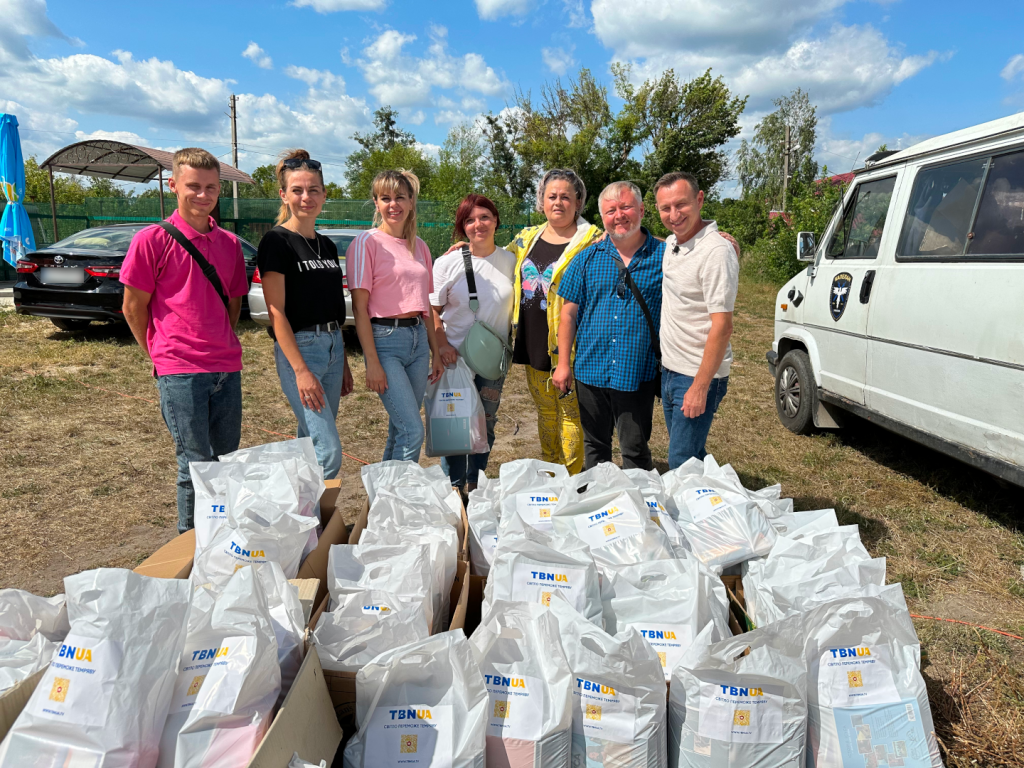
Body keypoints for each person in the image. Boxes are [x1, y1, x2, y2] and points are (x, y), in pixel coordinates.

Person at [121, 148, 249, 533]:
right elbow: (132, 307)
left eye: (210, 187)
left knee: (226, 460)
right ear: (173, 184)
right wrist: (158, 355)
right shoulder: (151, 240)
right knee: (194, 462)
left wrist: (218, 341)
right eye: (193, 186)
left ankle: (222, 535)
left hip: (226, 366)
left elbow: (234, 302)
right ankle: (189, 545)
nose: (202, 194)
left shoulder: (230, 244)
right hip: (179, 369)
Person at [257, 149, 354, 480]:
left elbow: (330, 304)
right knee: (327, 450)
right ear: (284, 195)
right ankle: (311, 523)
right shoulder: (277, 241)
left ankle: (301, 519)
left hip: (332, 347)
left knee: (309, 444)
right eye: (297, 190)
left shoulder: (326, 245)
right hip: (302, 350)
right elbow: (276, 312)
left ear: (324, 194)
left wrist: (341, 361)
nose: (306, 197)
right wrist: (301, 371)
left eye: (313, 190)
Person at [554, 181, 664, 470]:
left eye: (626, 207)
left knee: (636, 449)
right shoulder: (586, 259)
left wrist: (718, 237)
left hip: (637, 370)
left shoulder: (666, 258)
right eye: (610, 210)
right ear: (602, 217)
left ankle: (637, 508)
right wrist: (563, 363)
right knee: (594, 447)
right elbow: (568, 315)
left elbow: (697, 250)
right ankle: (598, 506)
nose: (619, 215)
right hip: (591, 369)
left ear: (641, 209)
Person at [503, 169, 600, 474]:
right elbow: (493, 258)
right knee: (545, 412)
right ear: (541, 201)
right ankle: (551, 472)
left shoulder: (593, 239)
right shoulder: (527, 238)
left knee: (571, 415)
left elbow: (634, 240)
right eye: (551, 196)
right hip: (532, 341)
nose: (558, 202)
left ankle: (570, 479)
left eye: (565, 197)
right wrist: (464, 250)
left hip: (570, 346)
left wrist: (690, 237)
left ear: (579, 202)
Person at [346, 169, 444, 462]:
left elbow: (425, 305)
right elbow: (359, 308)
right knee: (413, 431)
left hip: (417, 342)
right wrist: (372, 362)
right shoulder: (367, 243)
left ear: (412, 202)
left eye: (400, 197)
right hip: (385, 341)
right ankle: (400, 500)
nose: (393, 204)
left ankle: (384, 501)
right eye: (385, 198)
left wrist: (436, 352)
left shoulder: (420, 246)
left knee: (400, 429)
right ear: (376, 203)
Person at [430, 194, 516, 492]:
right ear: (462, 227)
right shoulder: (447, 263)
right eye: (469, 220)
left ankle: (475, 483)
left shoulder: (510, 260)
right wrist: (442, 346)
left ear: (496, 221)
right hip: (456, 359)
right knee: (454, 427)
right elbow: (432, 310)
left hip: (493, 362)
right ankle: (453, 488)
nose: (478, 224)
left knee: (486, 424)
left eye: (484, 217)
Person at [654, 171, 738, 468]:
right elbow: (654, 240)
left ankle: (694, 512)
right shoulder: (672, 243)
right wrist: (612, 233)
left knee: (681, 462)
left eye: (681, 205)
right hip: (671, 370)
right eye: (665, 208)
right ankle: (712, 502)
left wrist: (700, 387)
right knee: (691, 455)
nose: (674, 215)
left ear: (699, 199)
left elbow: (723, 326)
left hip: (696, 374)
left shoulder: (715, 251)